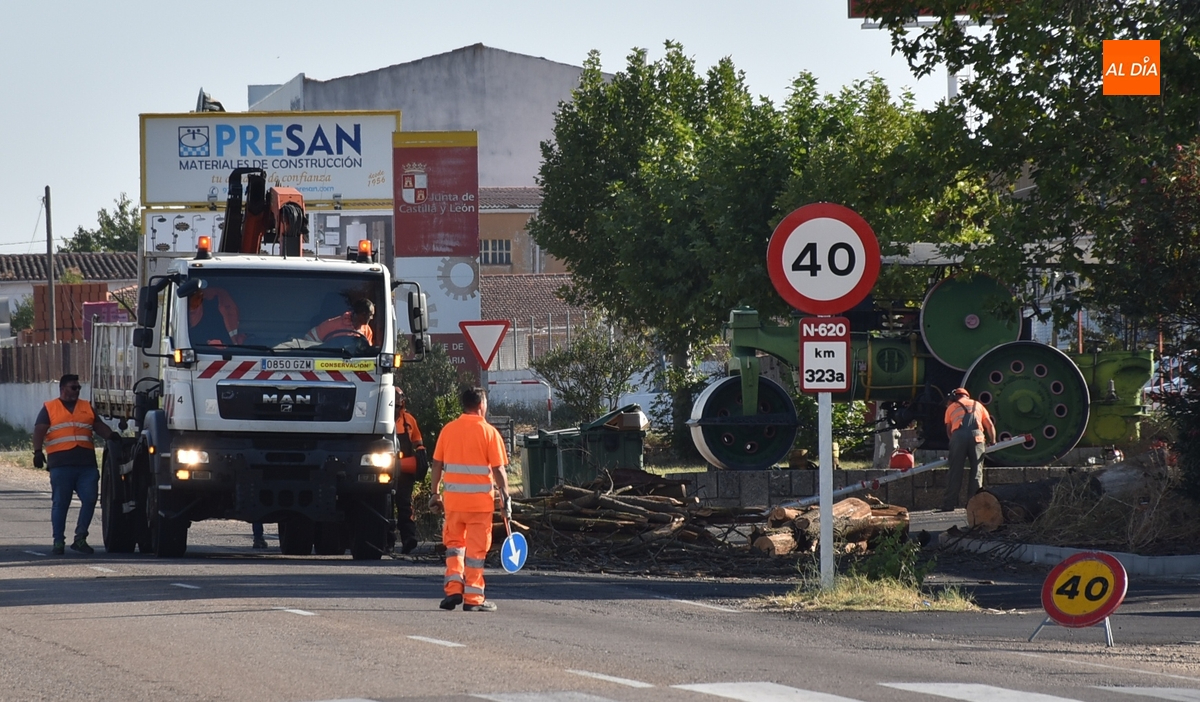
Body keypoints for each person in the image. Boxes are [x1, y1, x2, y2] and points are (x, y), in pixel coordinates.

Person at [428, 387, 510, 612]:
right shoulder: (489, 432)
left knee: (454, 547)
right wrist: (506, 496)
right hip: (479, 505)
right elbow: (499, 470)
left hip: (453, 504)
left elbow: (437, 464)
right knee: (475, 552)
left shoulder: (448, 430)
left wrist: (435, 493)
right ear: (482, 404)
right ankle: (474, 598)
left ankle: (454, 589)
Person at [31, 374, 117, 555]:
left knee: (90, 499)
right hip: (61, 464)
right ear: (63, 389)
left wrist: (111, 436)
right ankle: (58, 541)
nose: (77, 391)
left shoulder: (86, 407)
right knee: (61, 503)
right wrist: (37, 452)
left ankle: (80, 538)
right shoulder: (50, 408)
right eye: (73, 387)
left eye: (78, 388)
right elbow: (39, 429)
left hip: (86, 464)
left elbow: (98, 426)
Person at [941, 387, 997, 512]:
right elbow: (989, 425)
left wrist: (954, 441)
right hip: (977, 437)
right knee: (977, 472)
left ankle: (949, 504)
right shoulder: (978, 405)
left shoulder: (951, 407)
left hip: (958, 437)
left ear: (955, 396)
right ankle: (974, 505)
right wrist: (992, 441)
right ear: (967, 396)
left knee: (955, 471)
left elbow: (949, 430)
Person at [393, 387, 427, 555]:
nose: (396, 409)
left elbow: (417, 442)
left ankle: (408, 539)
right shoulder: (378, 419)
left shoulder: (409, 421)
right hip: (381, 470)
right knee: (385, 505)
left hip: (404, 471)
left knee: (404, 504)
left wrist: (421, 455)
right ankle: (386, 539)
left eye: (398, 404)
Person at [305, 298, 375, 345]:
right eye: (368, 315)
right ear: (357, 313)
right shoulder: (332, 324)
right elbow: (309, 338)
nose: (371, 318)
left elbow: (367, 351)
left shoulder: (367, 330)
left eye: (372, 315)